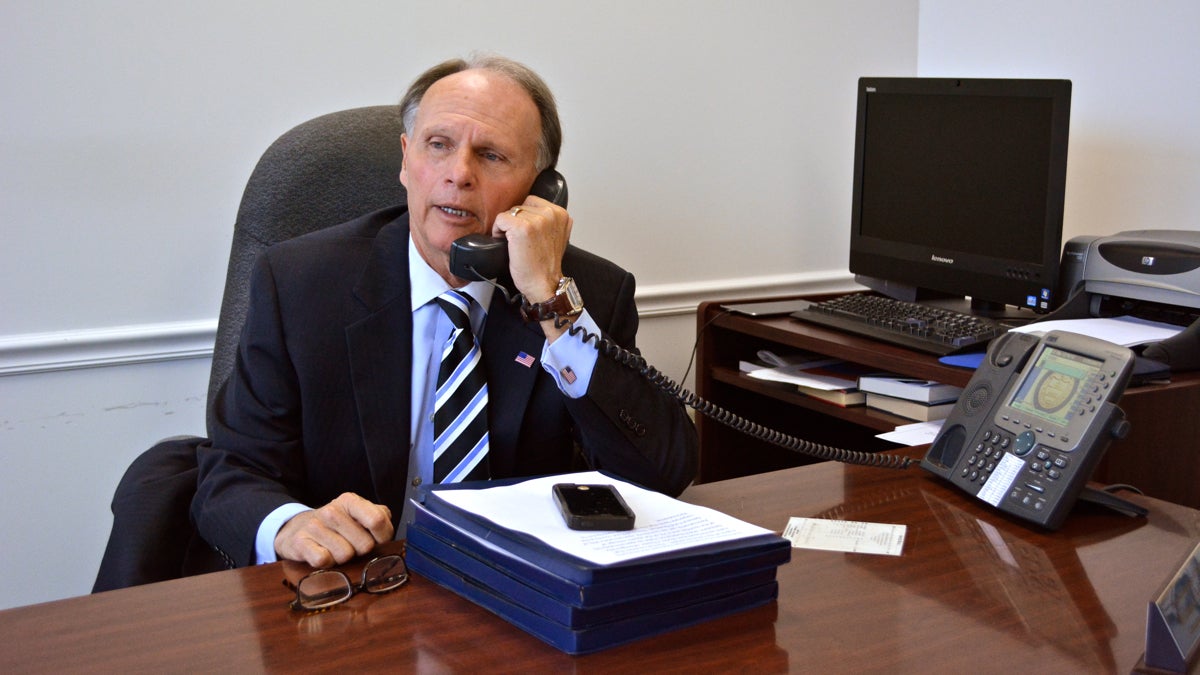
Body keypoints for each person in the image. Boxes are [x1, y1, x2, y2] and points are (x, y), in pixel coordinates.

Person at [192, 54, 699, 569]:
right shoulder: (301, 282)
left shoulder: (585, 294)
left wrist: (551, 302)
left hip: (515, 596)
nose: (459, 174)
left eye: (492, 156)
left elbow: (660, 475)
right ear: (407, 160)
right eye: (439, 146)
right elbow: (231, 471)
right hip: (352, 594)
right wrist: (289, 524)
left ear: (542, 189)